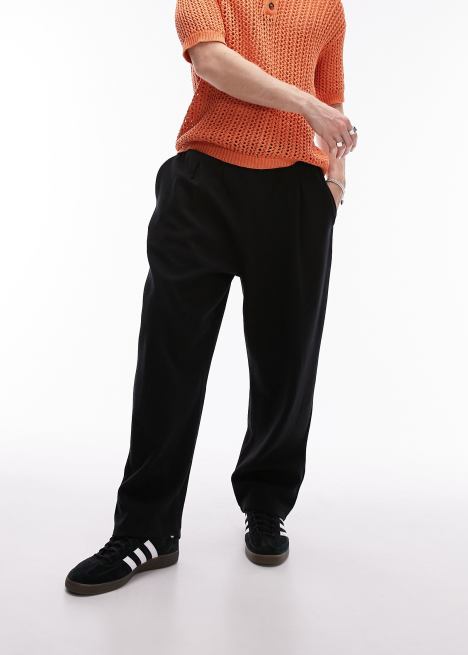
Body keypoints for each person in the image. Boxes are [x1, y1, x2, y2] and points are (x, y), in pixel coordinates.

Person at [65, 0, 357, 596]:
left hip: (296, 195)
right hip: (203, 186)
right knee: (169, 358)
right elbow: (211, 61)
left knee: (286, 361)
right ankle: (146, 530)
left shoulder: (327, 8)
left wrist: (335, 184)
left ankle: (267, 505)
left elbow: (333, 104)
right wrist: (305, 105)